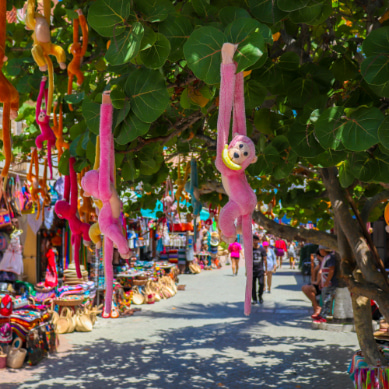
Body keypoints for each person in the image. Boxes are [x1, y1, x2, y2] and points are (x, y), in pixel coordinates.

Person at [314, 246, 337, 323]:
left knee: (327, 299)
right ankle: (322, 315)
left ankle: (324, 316)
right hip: (325, 283)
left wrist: (327, 281)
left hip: (329, 283)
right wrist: (322, 282)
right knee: (324, 299)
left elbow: (331, 270)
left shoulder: (330, 258)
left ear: (323, 250)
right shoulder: (326, 258)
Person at [301, 249, 324, 318]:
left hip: (323, 286)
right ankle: (316, 307)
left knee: (306, 288)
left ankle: (316, 307)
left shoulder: (323, 262)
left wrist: (316, 282)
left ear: (318, 256)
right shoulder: (322, 262)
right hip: (321, 285)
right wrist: (314, 282)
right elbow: (315, 270)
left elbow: (319, 272)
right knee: (306, 288)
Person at [252, 235, 267, 304]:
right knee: (252, 285)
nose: (254, 241)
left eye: (255, 240)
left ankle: (260, 296)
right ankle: (254, 299)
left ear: (258, 241)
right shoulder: (250, 249)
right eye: (253, 240)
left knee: (261, 283)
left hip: (260, 269)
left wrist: (266, 269)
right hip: (252, 270)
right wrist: (247, 271)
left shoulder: (262, 249)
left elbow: (265, 260)